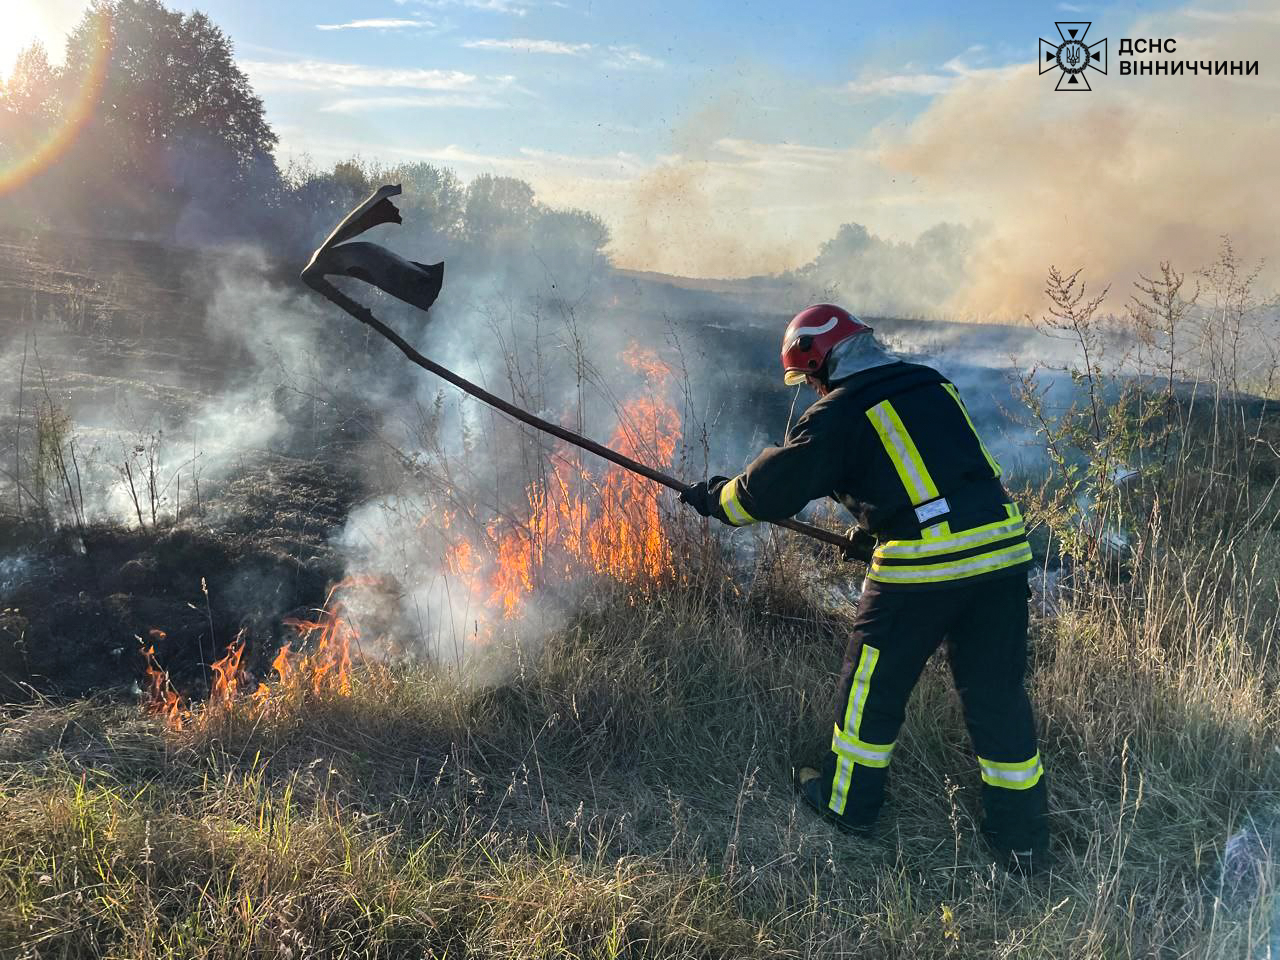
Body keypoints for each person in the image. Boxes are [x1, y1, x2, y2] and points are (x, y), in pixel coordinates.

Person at [679, 304, 1048, 873]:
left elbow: (769, 492)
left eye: (809, 376)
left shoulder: (840, 413)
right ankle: (1021, 839)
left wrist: (716, 499)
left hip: (925, 567)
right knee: (997, 697)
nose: (811, 387)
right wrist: (874, 529)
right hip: (1002, 555)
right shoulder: (932, 383)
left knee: (868, 696)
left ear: (821, 360)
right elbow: (936, 477)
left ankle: (848, 806)